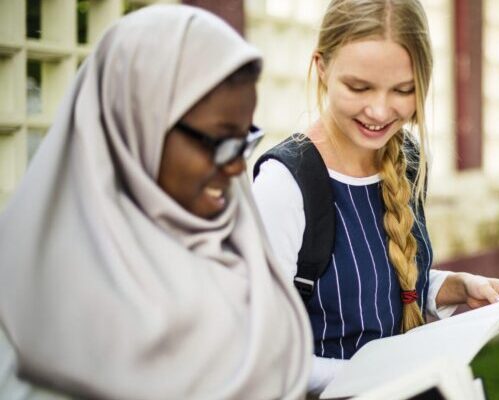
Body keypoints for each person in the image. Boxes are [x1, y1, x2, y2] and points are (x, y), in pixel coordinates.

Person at [0, 5, 311, 399]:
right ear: (134, 122)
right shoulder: (34, 292)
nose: (236, 168)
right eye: (219, 142)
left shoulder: (242, 247)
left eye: (245, 141)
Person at [251, 0, 499, 394]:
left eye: (403, 90)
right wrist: (385, 377)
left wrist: (456, 286)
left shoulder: (408, 159)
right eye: (358, 87)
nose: (379, 110)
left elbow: (381, 280)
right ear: (322, 68)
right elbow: (263, 356)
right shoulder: (284, 184)